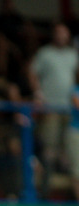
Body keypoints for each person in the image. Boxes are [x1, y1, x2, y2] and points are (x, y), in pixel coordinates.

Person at [29, 23, 78, 197]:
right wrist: (38, 93)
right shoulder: (45, 53)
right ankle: (45, 191)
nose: (62, 36)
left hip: (70, 111)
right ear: (54, 35)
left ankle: (71, 196)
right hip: (51, 108)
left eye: (65, 34)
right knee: (49, 151)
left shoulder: (73, 55)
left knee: (71, 153)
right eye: (59, 33)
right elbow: (32, 73)